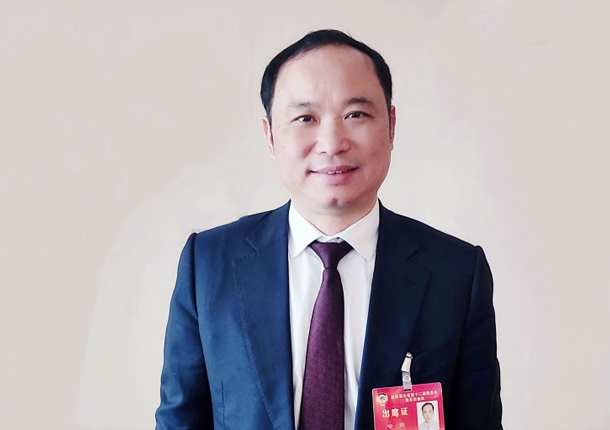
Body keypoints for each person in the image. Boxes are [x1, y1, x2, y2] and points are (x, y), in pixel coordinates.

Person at [154, 29, 502, 430]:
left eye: (355, 114)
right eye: (305, 118)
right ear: (270, 135)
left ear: (391, 125)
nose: (332, 143)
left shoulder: (456, 273)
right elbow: (179, 421)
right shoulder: (209, 264)